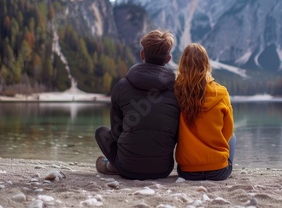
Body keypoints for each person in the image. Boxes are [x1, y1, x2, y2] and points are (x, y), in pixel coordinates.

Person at [94, 29, 180, 180]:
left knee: (101, 132)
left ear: (142, 54)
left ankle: (110, 165)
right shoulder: (177, 90)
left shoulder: (121, 86)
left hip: (127, 169)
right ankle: (112, 164)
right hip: (163, 169)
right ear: (168, 59)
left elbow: (115, 132)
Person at [174, 43, 236, 181]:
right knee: (234, 137)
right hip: (218, 170)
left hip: (187, 171)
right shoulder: (221, 92)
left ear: (182, 65)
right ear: (206, 63)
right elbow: (228, 131)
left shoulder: (177, 92)